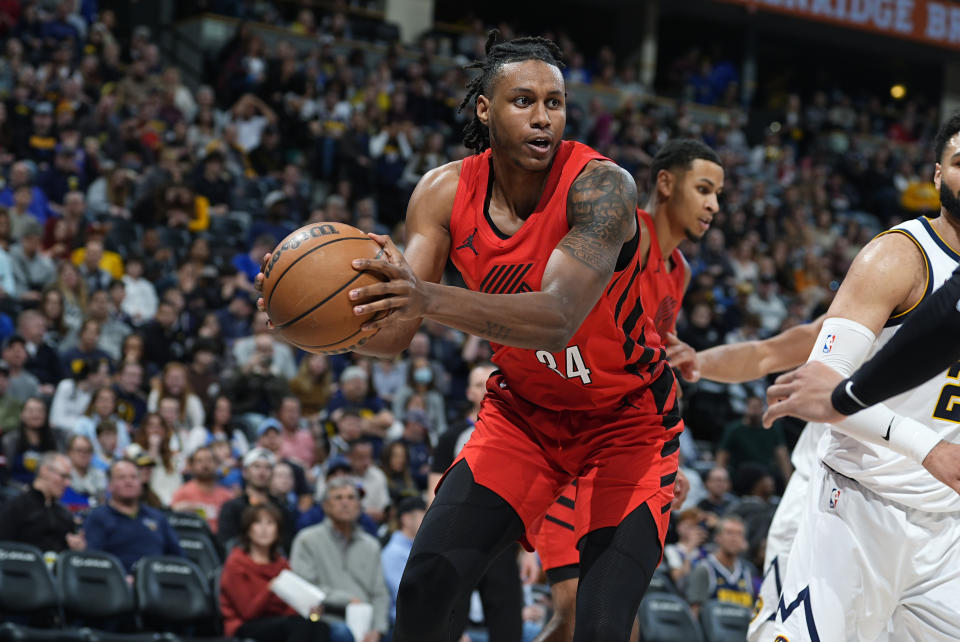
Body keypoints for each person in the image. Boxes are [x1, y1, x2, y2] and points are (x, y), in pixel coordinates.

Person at [751, 115, 960, 641]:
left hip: (948, 531)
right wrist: (928, 448)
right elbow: (824, 387)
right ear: (937, 175)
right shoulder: (898, 256)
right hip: (859, 507)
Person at [290, 477, 390, 642]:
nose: (345, 503)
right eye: (338, 498)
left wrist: (378, 630)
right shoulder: (307, 540)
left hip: (366, 620)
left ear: (359, 506)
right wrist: (347, 600)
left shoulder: (371, 545)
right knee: (341, 633)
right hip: (326, 619)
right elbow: (305, 587)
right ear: (325, 506)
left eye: (351, 498)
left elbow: (380, 593)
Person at [219, 503, 331, 642]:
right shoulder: (236, 563)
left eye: (270, 523)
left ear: (277, 530)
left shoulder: (281, 564)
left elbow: (291, 606)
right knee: (297, 626)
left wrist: (309, 611)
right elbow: (247, 612)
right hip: (245, 625)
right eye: (258, 523)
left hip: (282, 623)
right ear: (248, 529)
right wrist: (270, 589)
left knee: (320, 626)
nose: (264, 529)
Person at [84, 459, 183, 573]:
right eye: (121, 477)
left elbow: (179, 558)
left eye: (134, 477)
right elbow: (93, 562)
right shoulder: (98, 518)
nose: (128, 482)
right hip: (116, 585)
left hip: (157, 582)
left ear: (141, 483)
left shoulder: (157, 517)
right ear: (110, 485)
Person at [0, 452, 85, 552]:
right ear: (44, 471)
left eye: (69, 478)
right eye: (63, 476)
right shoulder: (15, 507)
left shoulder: (65, 514)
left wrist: (77, 548)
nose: (67, 483)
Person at [218, 447, 295, 554]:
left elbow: (288, 545)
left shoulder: (282, 509)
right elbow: (226, 544)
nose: (262, 472)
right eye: (256, 466)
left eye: (267, 468)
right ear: (245, 471)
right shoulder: (231, 508)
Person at [685, 515, 753, 619]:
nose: (734, 538)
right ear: (718, 537)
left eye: (739, 534)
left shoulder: (748, 571)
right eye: (729, 533)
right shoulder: (704, 569)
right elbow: (694, 614)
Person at [381, 496, 427, 625]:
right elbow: (406, 598)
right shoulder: (394, 552)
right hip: (404, 625)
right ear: (406, 519)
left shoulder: (418, 548)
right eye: (424, 516)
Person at [170, 445, 234, 533]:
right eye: (199, 461)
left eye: (209, 460)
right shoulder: (182, 493)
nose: (205, 464)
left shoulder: (227, 496)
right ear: (191, 466)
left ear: (216, 464)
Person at [1, 397, 62, 486]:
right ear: (22, 414)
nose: (36, 414)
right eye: (30, 411)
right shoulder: (8, 440)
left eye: (40, 411)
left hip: (47, 489)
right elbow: (4, 475)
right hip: (15, 490)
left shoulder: (55, 439)